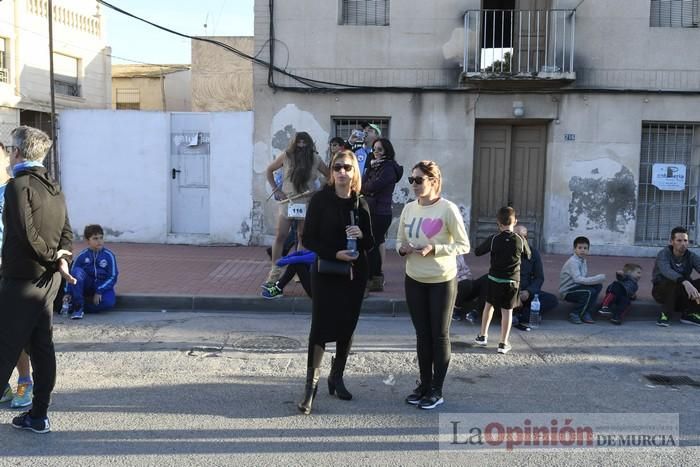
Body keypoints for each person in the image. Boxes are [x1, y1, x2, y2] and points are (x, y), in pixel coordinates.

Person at [0, 126, 76, 434]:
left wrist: (49, 257)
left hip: (22, 280)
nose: (8, 154)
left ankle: (38, 413)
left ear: (18, 152)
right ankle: (38, 415)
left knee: (5, 347)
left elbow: (24, 232)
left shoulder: (18, 186)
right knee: (42, 346)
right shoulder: (54, 188)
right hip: (49, 280)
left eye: (9, 149)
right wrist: (61, 260)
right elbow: (68, 234)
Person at [296, 149, 374, 415]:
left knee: (347, 326)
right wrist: (335, 253)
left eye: (347, 168)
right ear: (331, 171)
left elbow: (371, 243)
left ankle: (336, 377)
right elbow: (309, 239)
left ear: (354, 173)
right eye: (337, 167)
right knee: (320, 327)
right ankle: (310, 389)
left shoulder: (360, 203)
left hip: (354, 274)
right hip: (327, 270)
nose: (342, 172)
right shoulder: (320, 200)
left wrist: (362, 234)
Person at [397, 160, 470, 410]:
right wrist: (403, 249)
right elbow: (398, 239)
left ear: (434, 181)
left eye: (419, 180)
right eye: (411, 180)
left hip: (442, 280)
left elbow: (463, 245)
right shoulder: (409, 209)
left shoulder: (447, 209)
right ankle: (424, 383)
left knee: (439, 335)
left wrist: (435, 248)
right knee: (422, 334)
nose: (414, 185)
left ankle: (437, 389)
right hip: (414, 278)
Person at [263, 132, 329, 288]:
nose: (301, 146)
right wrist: (276, 190)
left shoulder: (315, 159)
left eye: (304, 143)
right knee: (281, 235)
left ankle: (300, 270)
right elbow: (269, 170)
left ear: (309, 143)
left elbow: (329, 176)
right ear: (293, 143)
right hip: (288, 202)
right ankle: (274, 271)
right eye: (298, 143)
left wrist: (319, 192)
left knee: (302, 237)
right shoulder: (286, 156)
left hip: (307, 202)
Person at [0, 143, 34, 410]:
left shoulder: (13, 190)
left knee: (14, 332)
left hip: (10, 270)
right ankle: (4, 386)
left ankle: (25, 380)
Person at [473, 207, 530, 355]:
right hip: (511, 282)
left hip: (494, 279)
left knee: (489, 305)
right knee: (507, 311)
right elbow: (528, 255)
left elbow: (478, 252)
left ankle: (482, 336)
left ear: (498, 222)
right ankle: (503, 343)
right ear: (515, 221)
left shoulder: (493, 239)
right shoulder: (520, 239)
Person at [361, 137, 403, 292]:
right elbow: (363, 183)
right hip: (372, 210)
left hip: (380, 213)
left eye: (380, 149)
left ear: (387, 151)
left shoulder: (389, 167)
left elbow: (372, 186)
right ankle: (375, 278)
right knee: (373, 244)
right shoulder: (374, 166)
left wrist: (365, 187)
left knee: (372, 245)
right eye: (374, 149)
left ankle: (374, 278)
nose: (376, 152)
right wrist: (366, 183)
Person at [62, 224, 119, 320]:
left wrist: (100, 290)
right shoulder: (82, 256)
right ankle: (78, 308)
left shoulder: (109, 255)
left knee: (109, 303)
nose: (99, 241)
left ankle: (78, 306)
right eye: (95, 238)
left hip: (102, 285)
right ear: (88, 241)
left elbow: (113, 276)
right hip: (87, 285)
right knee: (77, 271)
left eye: (101, 238)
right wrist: (67, 292)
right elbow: (71, 275)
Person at [511, 225, 558, 331]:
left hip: (527, 294)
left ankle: (519, 316)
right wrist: (516, 293)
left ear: (526, 238)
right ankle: (519, 315)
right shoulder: (506, 252)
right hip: (510, 292)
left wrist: (528, 292)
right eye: (515, 237)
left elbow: (539, 278)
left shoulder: (533, 253)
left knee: (552, 300)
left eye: (521, 237)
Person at [651, 226, 700, 327]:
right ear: (671, 242)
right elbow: (667, 271)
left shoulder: (691, 256)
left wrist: (688, 284)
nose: (683, 244)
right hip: (662, 292)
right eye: (679, 240)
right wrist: (685, 282)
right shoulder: (664, 254)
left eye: (685, 240)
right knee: (671, 281)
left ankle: (690, 314)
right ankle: (665, 315)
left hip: (681, 294)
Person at [559, 236, 606, 324]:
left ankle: (586, 312)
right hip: (568, 291)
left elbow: (583, 278)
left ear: (588, 250)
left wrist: (597, 281)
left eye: (585, 248)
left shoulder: (583, 260)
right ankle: (575, 313)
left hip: (577, 288)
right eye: (579, 248)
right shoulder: (573, 262)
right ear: (574, 249)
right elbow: (578, 279)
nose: (582, 250)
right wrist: (597, 278)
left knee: (598, 286)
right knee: (589, 291)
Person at [452, 255, 487, 323]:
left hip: (467, 283)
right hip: (454, 287)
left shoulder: (458, 253)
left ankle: (475, 312)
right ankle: (455, 310)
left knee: (488, 278)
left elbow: (466, 271)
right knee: (465, 284)